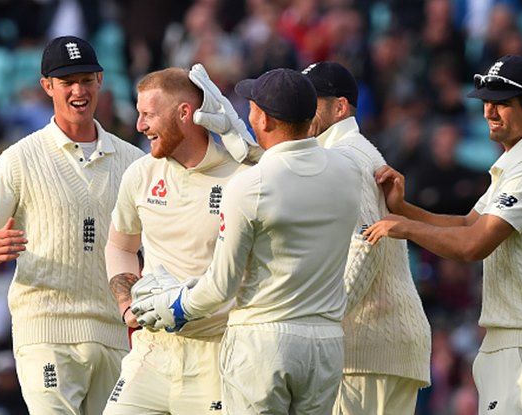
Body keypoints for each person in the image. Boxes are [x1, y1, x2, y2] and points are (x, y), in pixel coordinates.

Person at [365, 55, 522, 414]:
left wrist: (404, 228)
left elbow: (472, 246)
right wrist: (402, 209)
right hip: (513, 343)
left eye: (501, 103)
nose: (489, 112)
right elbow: (469, 225)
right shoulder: (517, 160)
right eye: (486, 102)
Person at [134, 68, 362, 414]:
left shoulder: (248, 186)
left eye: (252, 109)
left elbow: (220, 287)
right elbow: (298, 165)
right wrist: (245, 143)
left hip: (263, 343)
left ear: (265, 120)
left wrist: (176, 306)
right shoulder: (348, 171)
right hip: (324, 344)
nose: (247, 114)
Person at [0, 36, 144, 414]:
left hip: (113, 333)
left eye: (87, 80)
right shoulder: (19, 159)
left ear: (101, 81)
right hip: (45, 330)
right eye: (66, 82)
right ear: (47, 86)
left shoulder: (133, 161)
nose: (79, 91)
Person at [102, 65, 255, 415]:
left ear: (184, 113)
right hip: (151, 352)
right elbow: (121, 245)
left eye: (148, 115)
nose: (140, 125)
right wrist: (126, 303)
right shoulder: (140, 173)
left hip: (217, 354)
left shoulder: (242, 175)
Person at [302, 61, 431, 415]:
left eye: (311, 100)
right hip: (381, 347)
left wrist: (324, 323)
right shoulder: (352, 151)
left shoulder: (343, 157)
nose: (301, 109)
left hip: (366, 348)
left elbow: (367, 242)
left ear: (340, 107)